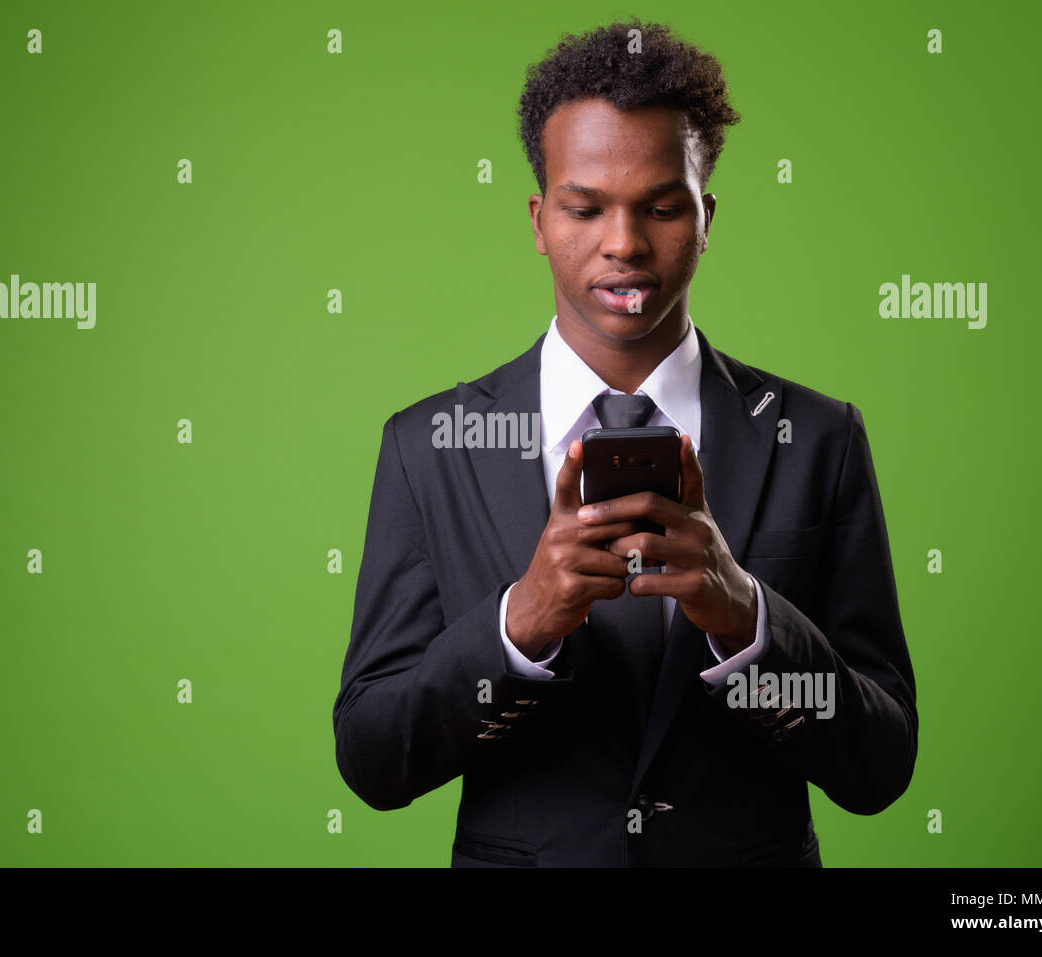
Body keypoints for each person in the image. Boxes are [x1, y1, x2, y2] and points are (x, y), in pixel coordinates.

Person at [333, 18, 918, 867]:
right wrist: (518, 626)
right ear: (539, 220)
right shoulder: (429, 447)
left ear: (706, 216)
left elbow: (881, 763)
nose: (624, 244)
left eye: (661, 206)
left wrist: (748, 619)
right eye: (584, 207)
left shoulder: (819, 438)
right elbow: (373, 759)